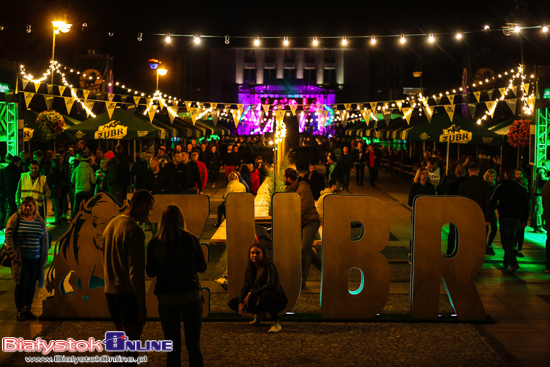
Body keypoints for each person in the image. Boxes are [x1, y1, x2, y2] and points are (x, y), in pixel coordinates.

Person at [147, 205, 206, 367]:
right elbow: (202, 267)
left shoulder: (155, 243)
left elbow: (150, 272)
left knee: (172, 346)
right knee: (193, 345)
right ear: (181, 219)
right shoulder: (190, 239)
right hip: (190, 295)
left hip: (166, 298)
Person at [103, 190, 155, 345]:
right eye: (149, 208)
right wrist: (141, 303)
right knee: (132, 341)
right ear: (140, 205)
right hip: (127, 293)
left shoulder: (111, 225)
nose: (149, 213)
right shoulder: (134, 231)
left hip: (110, 290)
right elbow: (136, 272)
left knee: (119, 340)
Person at [5, 197, 49, 321]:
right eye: (25, 205)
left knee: (31, 285)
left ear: (34, 207)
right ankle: (20, 310)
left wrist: (44, 256)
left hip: (35, 259)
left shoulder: (39, 220)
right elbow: (8, 235)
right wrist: (11, 251)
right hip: (21, 259)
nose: (27, 208)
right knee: (21, 284)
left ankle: (27, 308)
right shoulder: (16, 218)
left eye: (30, 205)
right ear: (22, 207)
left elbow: (44, 238)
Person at [228, 242, 287, 333]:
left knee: (265, 295)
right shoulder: (251, 267)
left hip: (276, 299)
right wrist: (240, 302)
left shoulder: (269, 266)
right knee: (233, 303)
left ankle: (277, 323)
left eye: (257, 253)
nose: (254, 255)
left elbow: (271, 285)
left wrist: (251, 294)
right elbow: (246, 286)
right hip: (260, 298)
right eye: (252, 253)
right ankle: (259, 314)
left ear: (263, 254)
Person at [284, 167, 321, 288]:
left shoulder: (303, 189)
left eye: (284, 177)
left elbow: (300, 210)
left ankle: (302, 281)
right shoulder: (291, 187)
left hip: (310, 222)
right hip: (301, 222)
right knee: (306, 249)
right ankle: (324, 268)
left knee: (305, 248)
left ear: (289, 179)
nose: (283, 179)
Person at [491, 169, 529, 273]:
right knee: (511, 241)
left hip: (505, 216)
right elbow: (526, 206)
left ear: (505, 176)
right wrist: (524, 219)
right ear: (514, 177)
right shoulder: (521, 189)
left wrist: (496, 208)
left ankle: (513, 263)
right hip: (516, 218)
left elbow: (492, 201)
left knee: (505, 241)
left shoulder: (501, 187)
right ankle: (506, 263)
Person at [456, 163, 492, 257]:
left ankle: (468, 257)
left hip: (467, 215)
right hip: (480, 215)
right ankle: (477, 258)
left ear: (468, 171)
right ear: (478, 171)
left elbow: (461, 201)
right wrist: (488, 217)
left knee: (468, 238)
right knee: (479, 239)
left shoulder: (464, 184)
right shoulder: (484, 184)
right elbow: (487, 201)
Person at [513, 167, 530, 258]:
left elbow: (527, 198)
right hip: (515, 211)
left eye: (520, 174)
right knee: (515, 231)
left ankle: (519, 249)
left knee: (521, 231)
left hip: (522, 211)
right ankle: (514, 248)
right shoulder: (513, 184)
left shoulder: (525, 184)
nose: (519, 176)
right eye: (517, 174)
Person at [483, 169, 498, 255]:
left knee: (494, 228)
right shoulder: (485, 185)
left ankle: (488, 245)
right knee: (486, 229)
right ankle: (485, 246)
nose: (492, 178)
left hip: (491, 209)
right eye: (491, 176)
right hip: (486, 209)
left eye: (494, 177)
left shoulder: (494, 185)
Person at [533, 167, 548, 234]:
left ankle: (538, 227)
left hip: (538, 193)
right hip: (539, 193)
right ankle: (538, 227)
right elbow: (542, 179)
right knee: (539, 211)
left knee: (539, 210)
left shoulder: (540, 170)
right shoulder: (541, 171)